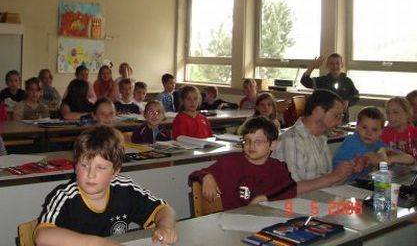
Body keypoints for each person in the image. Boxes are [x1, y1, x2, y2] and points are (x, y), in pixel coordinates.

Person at [34, 125, 177, 246]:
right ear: (75, 166)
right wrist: (98, 243)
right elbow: (41, 236)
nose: (91, 174)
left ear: (115, 171)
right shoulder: (65, 196)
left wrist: (165, 227)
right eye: (84, 165)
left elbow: (164, 209)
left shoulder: (125, 188)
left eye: (101, 168)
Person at [189, 117, 298, 210]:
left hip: (266, 220)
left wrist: (264, 198)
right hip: (233, 221)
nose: (251, 146)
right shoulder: (230, 162)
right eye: (247, 141)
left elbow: (290, 188)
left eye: (258, 141)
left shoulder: (277, 167)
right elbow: (194, 175)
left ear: (273, 145)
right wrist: (206, 176)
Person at [271, 89, 355, 192]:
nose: (340, 121)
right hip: (294, 205)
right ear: (317, 111)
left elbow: (326, 183)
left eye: (341, 116)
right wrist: (334, 176)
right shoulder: (290, 140)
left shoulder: (320, 138)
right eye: (336, 115)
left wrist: (347, 171)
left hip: (316, 202)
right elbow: (292, 189)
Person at [300, 53, 359, 123]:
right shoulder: (322, 81)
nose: (335, 66)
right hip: (324, 120)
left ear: (342, 65)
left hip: (342, 120)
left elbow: (356, 96)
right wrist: (312, 67)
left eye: (337, 63)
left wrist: (348, 101)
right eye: (331, 63)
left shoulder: (347, 81)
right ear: (327, 65)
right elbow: (304, 81)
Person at [333, 107, 386, 181]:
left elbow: (387, 152)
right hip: (345, 183)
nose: (369, 133)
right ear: (357, 126)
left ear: (381, 131)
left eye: (374, 130)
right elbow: (337, 166)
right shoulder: (351, 142)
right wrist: (355, 166)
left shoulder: (378, 143)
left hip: (364, 181)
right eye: (364, 127)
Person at [380, 97, 417, 162]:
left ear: (407, 114)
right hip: (391, 167)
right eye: (388, 113)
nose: (390, 116)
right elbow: (380, 152)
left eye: (395, 112)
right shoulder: (383, 133)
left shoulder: (414, 133)